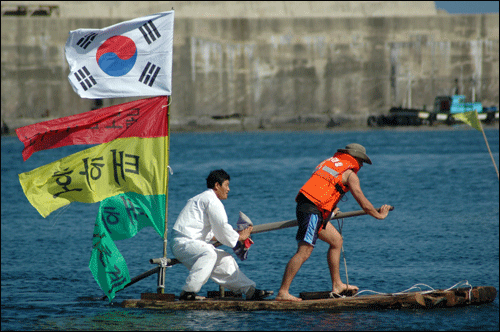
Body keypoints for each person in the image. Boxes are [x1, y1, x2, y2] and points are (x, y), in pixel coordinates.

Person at [275, 144, 392, 302]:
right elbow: (363, 203)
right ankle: (283, 292)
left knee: (336, 241)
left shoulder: (329, 162)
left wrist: (330, 208)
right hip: (312, 210)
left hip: (313, 207)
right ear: (356, 158)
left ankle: (337, 284)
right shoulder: (350, 174)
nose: (362, 165)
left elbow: (322, 186)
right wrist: (379, 215)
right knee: (304, 251)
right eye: (362, 161)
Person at [171, 169, 273, 301]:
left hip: (191, 243)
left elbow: (214, 232)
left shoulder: (203, 199)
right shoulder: (211, 200)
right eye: (226, 185)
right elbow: (222, 226)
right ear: (217, 186)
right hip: (183, 243)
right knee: (209, 253)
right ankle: (188, 292)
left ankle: (249, 290)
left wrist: (235, 235)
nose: (229, 189)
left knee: (226, 259)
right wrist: (240, 237)